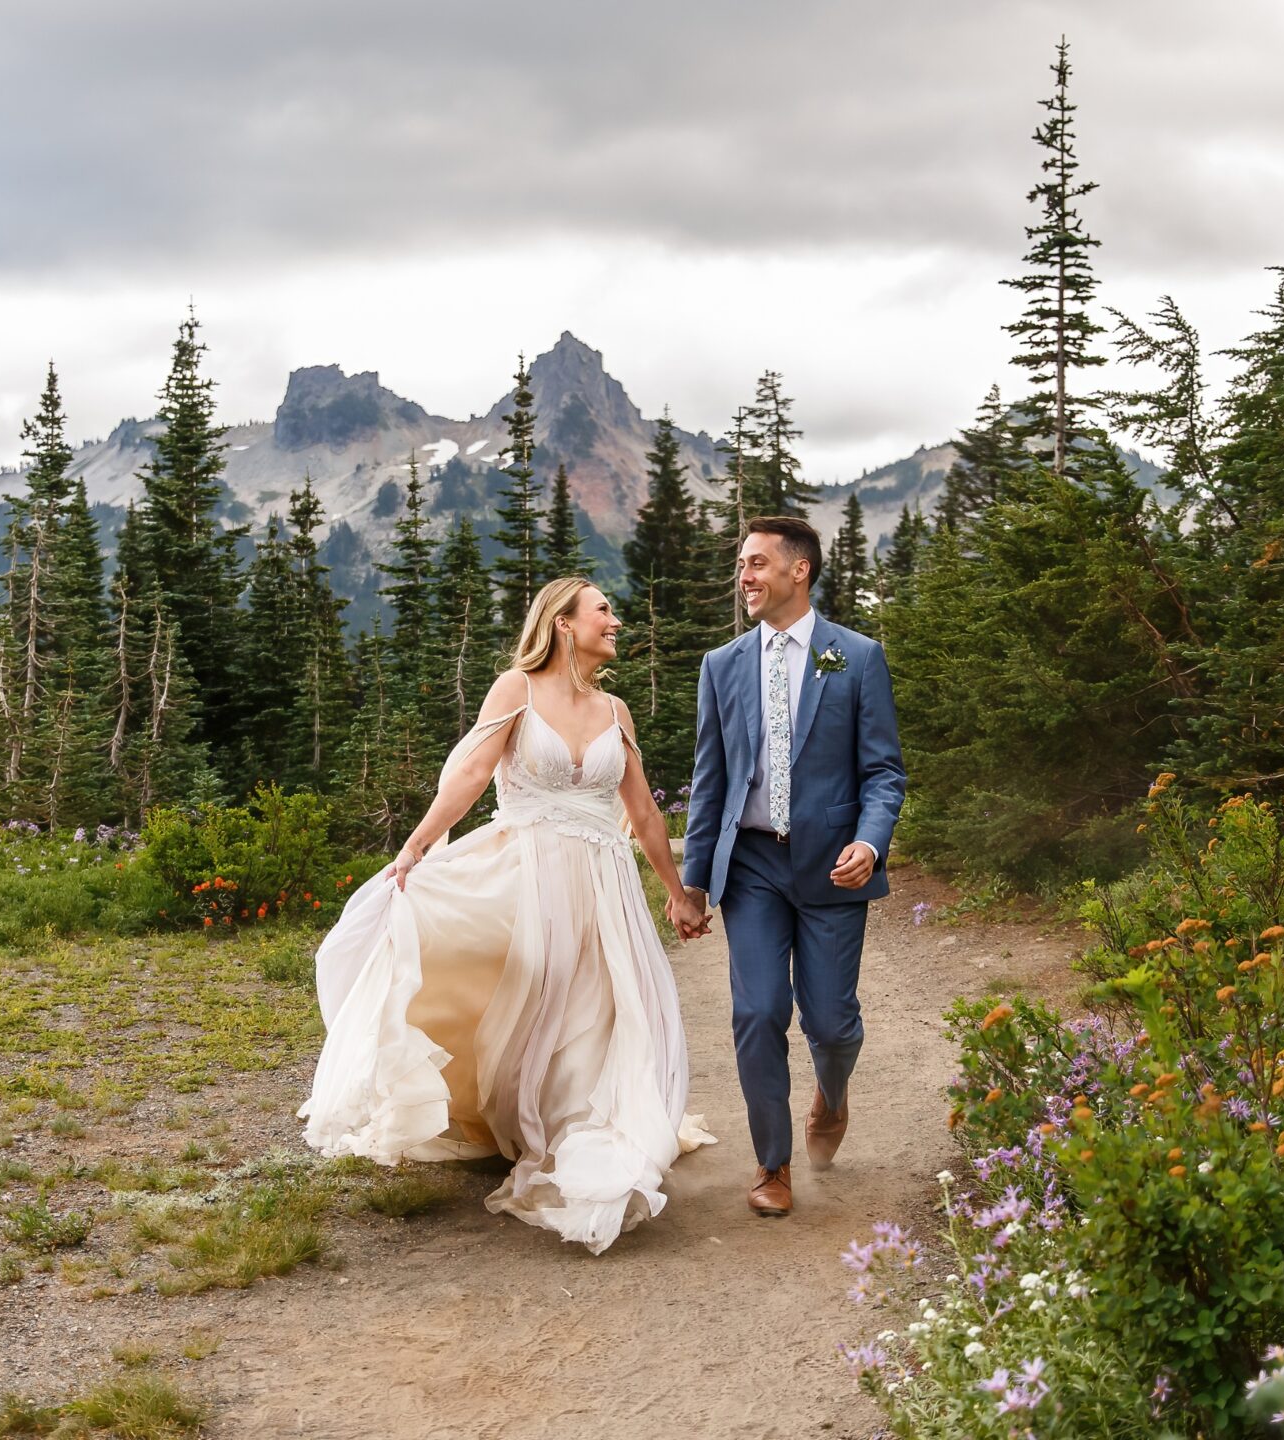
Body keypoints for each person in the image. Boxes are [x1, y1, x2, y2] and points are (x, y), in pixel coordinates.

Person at [300, 576, 714, 1253]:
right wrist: (416, 846)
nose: (615, 621)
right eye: (603, 611)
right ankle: (522, 1117)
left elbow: (642, 813)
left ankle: (582, 1122)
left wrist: (675, 890)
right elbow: (468, 775)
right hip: (528, 868)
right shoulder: (514, 690)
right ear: (562, 624)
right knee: (539, 985)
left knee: (611, 1000)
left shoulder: (616, 709)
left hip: (604, 881)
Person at [680, 516, 905, 1218]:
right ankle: (772, 1163)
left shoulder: (857, 657)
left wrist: (868, 843)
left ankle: (830, 1096)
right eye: (740, 565)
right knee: (757, 1011)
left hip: (834, 867)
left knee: (833, 1024)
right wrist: (692, 882)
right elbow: (709, 781)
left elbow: (885, 773)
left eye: (754, 563)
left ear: (797, 570)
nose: (743, 576)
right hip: (750, 866)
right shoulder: (721, 666)